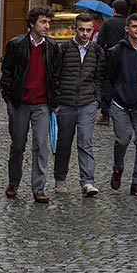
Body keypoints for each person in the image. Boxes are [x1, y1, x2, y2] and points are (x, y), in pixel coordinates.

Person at [0, 6, 62, 204]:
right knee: (18, 145)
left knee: (41, 146)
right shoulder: (17, 44)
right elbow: (7, 72)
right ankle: (14, 182)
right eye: (43, 22)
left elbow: (56, 76)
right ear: (32, 23)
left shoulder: (52, 47)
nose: (47, 26)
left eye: (49, 22)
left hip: (42, 103)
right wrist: (9, 97)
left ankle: (39, 188)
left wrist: (55, 101)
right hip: (20, 102)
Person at [101, 12, 137, 195]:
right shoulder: (116, 51)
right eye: (134, 26)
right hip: (119, 102)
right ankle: (118, 168)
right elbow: (108, 77)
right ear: (127, 28)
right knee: (122, 139)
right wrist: (106, 103)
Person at [54, 12, 105, 197]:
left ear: (93, 31)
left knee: (85, 141)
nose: (85, 33)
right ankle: (60, 179)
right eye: (81, 30)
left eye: (88, 30)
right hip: (66, 103)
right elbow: (56, 75)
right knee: (64, 143)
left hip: (87, 102)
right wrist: (56, 100)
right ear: (74, 29)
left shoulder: (97, 51)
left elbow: (100, 77)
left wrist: (97, 98)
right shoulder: (64, 49)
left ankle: (88, 181)